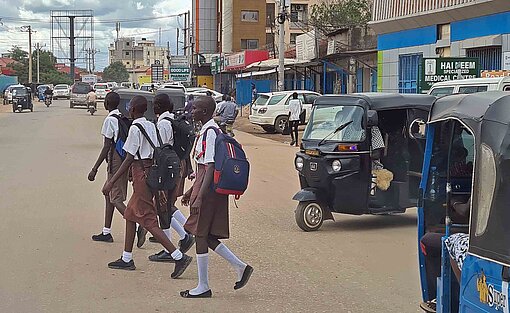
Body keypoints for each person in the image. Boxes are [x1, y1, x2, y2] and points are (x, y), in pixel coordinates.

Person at [102, 95, 192, 277]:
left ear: (134, 109)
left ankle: (177, 256)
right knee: (129, 214)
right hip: (152, 172)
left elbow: (129, 158)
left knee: (148, 220)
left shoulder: (136, 128)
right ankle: (126, 258)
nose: (128, 108)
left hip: (141, 173)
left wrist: (111, 182)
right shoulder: (151, 125)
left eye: (130, 106)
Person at [180, 96, 253, 298]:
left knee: (200, 234)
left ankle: (203, 286)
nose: (191, 110)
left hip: (209, 190)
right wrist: (190, 192)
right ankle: (239, 266)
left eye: (194, 108)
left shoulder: (210, 132)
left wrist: (199, 197)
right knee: (205, 234)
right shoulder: (206, 130)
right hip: (205, 186)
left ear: (204, 112)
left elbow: (210, 167)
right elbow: (203, 167)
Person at [148, 93, 195, 262]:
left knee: (163, 206)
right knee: (165, 205)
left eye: (154, 104)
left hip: (167, 166)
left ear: (158, 107)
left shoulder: (163, 124)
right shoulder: (174, 120)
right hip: (177, 163)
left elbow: (162, 148)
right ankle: (184, 234)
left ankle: (176, 242)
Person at [88, 92, 129, 243]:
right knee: (107, 193)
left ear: (106, 103)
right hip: (123, 158)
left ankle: (137, 225)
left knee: (116, 197)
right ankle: (106, 231)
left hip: (115, 161)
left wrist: (95, 168)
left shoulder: (110, 120)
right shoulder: (121, 117)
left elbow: (106, 146)